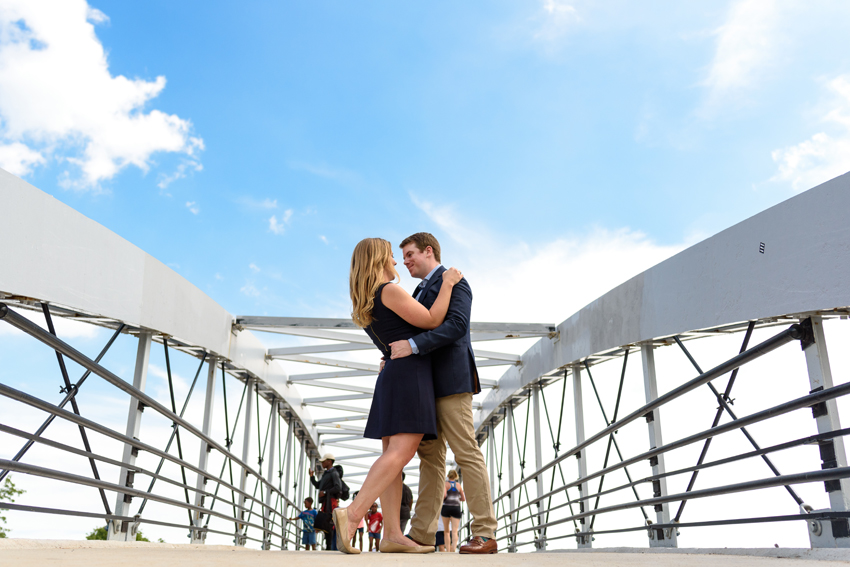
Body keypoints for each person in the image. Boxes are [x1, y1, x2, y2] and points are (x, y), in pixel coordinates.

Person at [331, 237, 462, 554]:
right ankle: (354, 512)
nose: (396, 261)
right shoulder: (388, 291)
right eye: (391, 255)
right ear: (378, 259)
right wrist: (447, 283)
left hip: (391, 376)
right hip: (409, 376)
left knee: (392, 458)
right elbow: (432, 320)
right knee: (401, 453)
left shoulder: (365, 303)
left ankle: (392, 534)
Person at [390, 232, 498, 554]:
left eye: (410, 254)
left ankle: (485, 533)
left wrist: (412, 345)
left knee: (465, 451)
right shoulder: (418, 291)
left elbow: (456, 326)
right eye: (403, 256)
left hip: (450, 382)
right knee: (430, 460)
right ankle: (421, 535)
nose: (406, 261)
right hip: (424, 387)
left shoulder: (456, 283)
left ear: (428, 251)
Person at [309, 454, 342, 550]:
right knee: (326, 523)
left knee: (329, 523)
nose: (322, 463)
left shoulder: (334, 473)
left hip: (330, 502)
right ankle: (328, 547)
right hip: (326, 502)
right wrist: (312, 477)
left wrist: (325, 492)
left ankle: (330, 547)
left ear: (330, 461)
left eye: (324, 461)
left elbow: (338, 488)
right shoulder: (326, 474)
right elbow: (318, 485)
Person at [441, 470, 465, 552]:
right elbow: (463, 498)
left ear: (448, 475)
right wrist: (457, 499)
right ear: (455, 476)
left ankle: (448, 550)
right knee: (455, 531)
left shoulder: (446, 484)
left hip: (446, 508)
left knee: (446, 531)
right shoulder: (458, 485)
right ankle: (454, 549)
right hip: (456, 508)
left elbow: (444, 495)